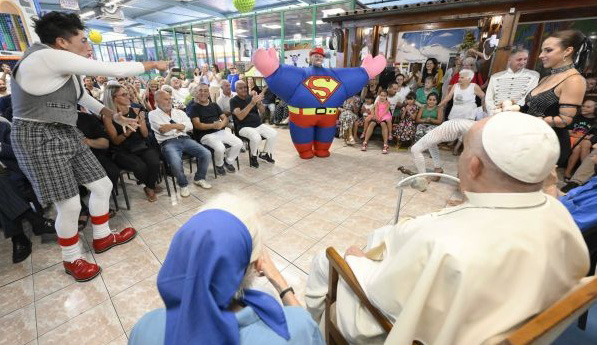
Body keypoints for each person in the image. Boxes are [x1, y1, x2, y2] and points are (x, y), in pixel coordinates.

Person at [305, 112, 590, 345]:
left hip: (400, 331)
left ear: (474, 166)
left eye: (464, 151)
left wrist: (356, 261)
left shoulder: (442, 240)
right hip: (495, 325)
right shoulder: (559, 213)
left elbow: (382, 295)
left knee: (325, 260)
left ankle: (314, 335)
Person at [9, 11, 169, 282]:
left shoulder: (64, 68)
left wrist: (113, 115)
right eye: (83, 40)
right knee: (69, 204)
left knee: (102, 185)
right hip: (37, 136)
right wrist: (154, 63)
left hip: (66, 131)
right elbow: (113, 70)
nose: (88, 45)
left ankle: (102, 237)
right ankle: (72, 259)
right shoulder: (42, 58)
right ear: (62, 42)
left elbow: (82, 98)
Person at [129, 193, 325, 345]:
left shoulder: (145, 328)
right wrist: (280, 283)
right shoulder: (294, 327)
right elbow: (309, 330)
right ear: (256, 265)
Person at [253, 46, 385, 159]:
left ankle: (322, 149)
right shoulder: (301, 73)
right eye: (315, 55)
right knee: (304, 145)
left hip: (328, 117)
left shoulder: (334, 74)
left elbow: (350, 77)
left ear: (323, 58)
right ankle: (304, 150)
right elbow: (281, 75)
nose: (318, 57)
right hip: (302, 117)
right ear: (310, 58)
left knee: (324, 145)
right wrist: (271, 69)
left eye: (320, 56)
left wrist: (366, 72)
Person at [522, 29, 592, 167]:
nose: (541, 55)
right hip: (530, 139)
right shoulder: (546, 78)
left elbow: (565, 120)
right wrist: (512, 108)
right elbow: (530, 108)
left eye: (548, 50)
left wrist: (531, 121)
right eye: (542, 51)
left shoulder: (574, 80)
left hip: (548, 145)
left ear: (567, 51)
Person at [102, 84, 162, 202]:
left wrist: (142, 122)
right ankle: (150, 187)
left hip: (140, 145)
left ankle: (149, 186)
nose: (128, 96)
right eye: (124, 94)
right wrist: (128, 131)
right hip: (121, 150)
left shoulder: (135, 109)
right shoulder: (107, 117)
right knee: (140, 167)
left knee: (155, 162)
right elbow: (115, 141)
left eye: (127, 93)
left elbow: (144, 135)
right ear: (114, 98)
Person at [149, 90, 212, 197]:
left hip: (185, 139)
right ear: (157, 101)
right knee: (175, 162)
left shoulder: (179, 112)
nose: (169, 101)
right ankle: (183, 184)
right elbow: (162, 130)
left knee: (206, 153)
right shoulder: (152, 114)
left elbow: (190, 127)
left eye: (170, 99)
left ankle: (199, 178)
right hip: (168, 142)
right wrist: (180, 126)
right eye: (166, 99)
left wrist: (172, 126)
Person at [189, 84, 242, 175]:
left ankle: (228, 162)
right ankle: (219, 165)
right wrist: (213, 125)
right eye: (200, 90)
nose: (203, 93)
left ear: (208, 93)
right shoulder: (194, 107)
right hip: (205, 135)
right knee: (220, 148)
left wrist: (221, 124)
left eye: (205, 91)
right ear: (196, 93)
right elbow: (197, 125)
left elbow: (224, 118)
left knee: (238, 143)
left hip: (219, 131)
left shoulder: (214, 105)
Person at [230, 80, 277, 167]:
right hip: (243, 127)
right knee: (256, 137)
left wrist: (259, 103)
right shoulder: (233, 101)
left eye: (245, 87)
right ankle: (253, 157)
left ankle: (264, 154)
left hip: (258, 125)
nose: (244, 89)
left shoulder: (250, 97)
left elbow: (262, 111)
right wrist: (252, 103)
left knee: (273, 133)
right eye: (240, 88)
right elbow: (240, 116)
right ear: (236, 89)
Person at [484, 47, 539, 114]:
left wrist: (512, 109)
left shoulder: (533, 76)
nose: (523, 62)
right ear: (510, 59)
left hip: (518, 114)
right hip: (496, 114)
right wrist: (493, 111)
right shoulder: (495, 77)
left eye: (525, 59)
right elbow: (489, 99)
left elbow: (529, 96)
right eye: (519, 59)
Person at [564, 99, 596, 180]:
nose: (584, 108)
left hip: (581, 144)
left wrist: (583, 137)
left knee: (578, 149)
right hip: (572, 140)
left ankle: (567, 173)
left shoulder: (595, 121)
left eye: (588, 107)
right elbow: (569, 133)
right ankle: (584, 174)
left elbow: (593, 137)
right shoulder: (576, 117)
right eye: (583, 106)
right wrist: (584, 137)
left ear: (595, 109)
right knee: (586, 143)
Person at [362, 89, 391, 154]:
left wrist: (380, 118)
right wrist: (377, 117)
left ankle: (385, 144)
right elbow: (375, 110)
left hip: (383, 118)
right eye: (381, 95)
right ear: (379, 95)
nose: (382, 97)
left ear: (386, 96)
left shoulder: (387, 103)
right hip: (377, 117)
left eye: (384, 96)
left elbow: (386, 111)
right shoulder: (377, 102)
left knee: (383, 124)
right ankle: (365, 142)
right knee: (372, 123)